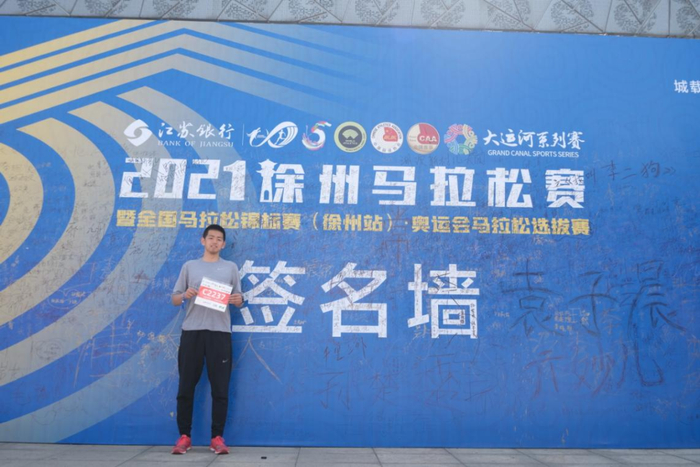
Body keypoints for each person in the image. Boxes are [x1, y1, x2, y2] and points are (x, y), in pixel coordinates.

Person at [170, 224, 243, 455]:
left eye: (219, 239)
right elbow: (174, 298)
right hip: (192, 331)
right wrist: (185, 295)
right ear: (203, 240)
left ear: (223, 244)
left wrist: (237, 300)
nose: (214, 241)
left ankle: (217, 437)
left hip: (220, 333)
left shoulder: (230, 268)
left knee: (220, 388)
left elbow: (239, 298)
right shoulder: (190, 266)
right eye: (210, 237)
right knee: (185, 386)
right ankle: (184, 436)